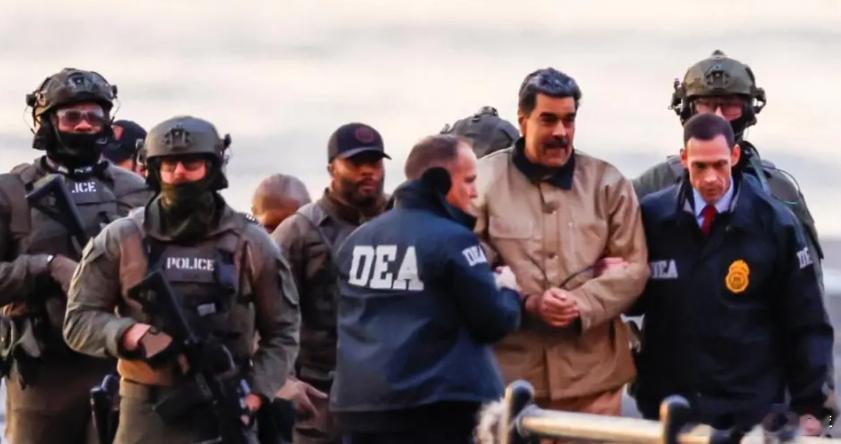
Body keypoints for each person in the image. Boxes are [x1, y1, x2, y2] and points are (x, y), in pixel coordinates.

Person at [63, 115, 300, 443]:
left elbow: (284, 332)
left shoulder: (251, 242)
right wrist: (130, 333)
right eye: (169, 165)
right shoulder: (122, 238)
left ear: (213, 168)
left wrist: (255, 393)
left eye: (191, 164)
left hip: (227, 406)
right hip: (144, 412)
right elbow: (78, 321)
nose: (179, 173)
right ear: (153, 169)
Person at [631, 113, 836, 434]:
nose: (711, 178)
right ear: (684, 160)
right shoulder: (653, 217)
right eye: (700, 166)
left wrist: (814, 410)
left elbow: (808, 321)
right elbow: (632, 299)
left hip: (751, 411)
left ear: (735, 156)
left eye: (720, 165)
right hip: (670, 407)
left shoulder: (775, 223)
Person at [473, 67, 650, 415]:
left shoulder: (608, 183)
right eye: (548, 120)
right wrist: (528, 303)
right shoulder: (483, 183)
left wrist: (580, 303)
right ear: (523, 120)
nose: (560, 132)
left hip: (595, 383)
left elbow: (633, 269)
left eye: (569, 120)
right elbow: (469, 269)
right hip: (510, 385)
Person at [331, 134, 522, 444]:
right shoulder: (453, 239)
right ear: (439, 181)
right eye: (469, 181)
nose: (475, 192)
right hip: (437, 409)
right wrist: (508, 290)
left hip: (359, 408)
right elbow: (494, 321)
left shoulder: (356, 241)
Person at [0, 68, 150, 444]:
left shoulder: (137, 192)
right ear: (46, 121)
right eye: (71, 117)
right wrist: (47, 268)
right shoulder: (13, 192)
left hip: (121, 362)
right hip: (44, 371)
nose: (84, 125)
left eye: (93, 117)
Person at [632, 50, 823, 283]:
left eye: (730, 106)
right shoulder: (653, 186)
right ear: (687, 110)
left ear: (749, 111)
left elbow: (809, 283)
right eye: (707, 105)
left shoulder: (779, 192)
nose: (719, 118)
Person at [271, 122, 390, 444]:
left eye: (374, 162)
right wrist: (284, 381)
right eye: (355, 163)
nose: (368, 171)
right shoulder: (299, 232)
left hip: (392, 395)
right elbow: (265, 313)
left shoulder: (403, 219)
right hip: (322, 397)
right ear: (331, 169)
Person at [441, 106, 519, 158]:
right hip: (489, 168)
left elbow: (442, 140)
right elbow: (518, 140)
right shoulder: (502, 123)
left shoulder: (460, 123)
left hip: (459, 166)